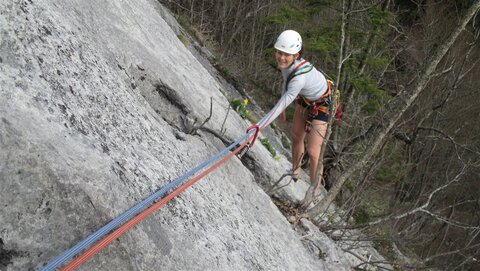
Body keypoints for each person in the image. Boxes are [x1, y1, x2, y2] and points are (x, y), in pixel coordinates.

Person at [262, 30, 333, 197]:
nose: (281, 57)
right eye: (279, 52)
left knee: (314, 151)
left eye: (287, 54)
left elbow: (289, 93)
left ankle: (313, 190)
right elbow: (286, 84)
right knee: (296, 136)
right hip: (306, 100)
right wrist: (283, 109)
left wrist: (260, 126)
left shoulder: (300, 76)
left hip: (323, 104)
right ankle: (295, 172)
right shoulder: (287, 67)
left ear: (297, 55)